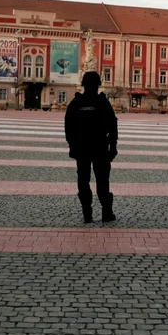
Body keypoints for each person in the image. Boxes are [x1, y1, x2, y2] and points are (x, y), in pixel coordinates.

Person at [64, 71, 118, 223]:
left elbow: (68, 128)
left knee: (83, 181)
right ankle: (106, 212)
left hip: (82, 149)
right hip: (100, 148)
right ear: (98, 84)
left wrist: (73, 146)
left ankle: (87, 213)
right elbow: (113, 126)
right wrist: (113, 146)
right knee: (102, 181)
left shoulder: (76, 103)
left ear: (83, 84)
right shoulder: (103, 103)